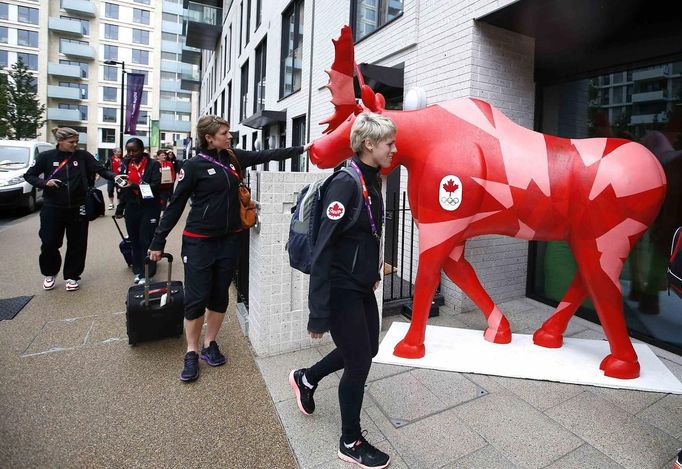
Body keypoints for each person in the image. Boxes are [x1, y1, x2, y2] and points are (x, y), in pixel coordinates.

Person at [147, 115, 311, 382]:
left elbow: (266, 154)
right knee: (197, 298)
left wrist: (304, 149)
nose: (230, 136)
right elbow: (175, 205)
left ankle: (210, 343)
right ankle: (191, 351)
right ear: (209, 138)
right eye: (225, 133)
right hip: (199, 240)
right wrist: (157, 241)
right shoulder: (193, 166)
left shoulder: (233, 158)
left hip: (230, 238)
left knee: (219, 295)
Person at [288, 112, 396, 469]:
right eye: (388, 143)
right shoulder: (345, 184)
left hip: (361, 284)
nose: (393, 149)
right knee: (359, 361)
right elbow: (323, 250)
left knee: (369, 347)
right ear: (369, 145)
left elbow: (367, 232)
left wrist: (372, 269)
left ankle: (307, 377)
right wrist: (318, 311)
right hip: (340, 288)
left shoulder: (372, 179)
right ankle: (350, 440)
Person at [24, 127, 119, 291]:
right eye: (71, 142)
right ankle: (50, 272)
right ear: (60, 141)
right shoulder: (46, 157)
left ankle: (72, 276)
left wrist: (115, 177)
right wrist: (45, 183)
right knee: (49, 243)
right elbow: (29, 175)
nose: (75, 145)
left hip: (78, 206)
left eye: (77, 141)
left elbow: (101, 170)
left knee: (77, 244)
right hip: (52, 207)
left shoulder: (82, 156)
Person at [115, 138, 162, 285]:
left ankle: (147, 273)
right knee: (134, 240)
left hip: (149, 206)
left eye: (134, 150)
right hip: (131, 206)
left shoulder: (153, 165)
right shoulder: (125, 164)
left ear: (142, 150)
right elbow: (122, 187)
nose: (130, 153)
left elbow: (155, 186)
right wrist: (120, 206)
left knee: (146, 239)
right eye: (128, 150)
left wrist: (134, 186)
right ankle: (138, 270)